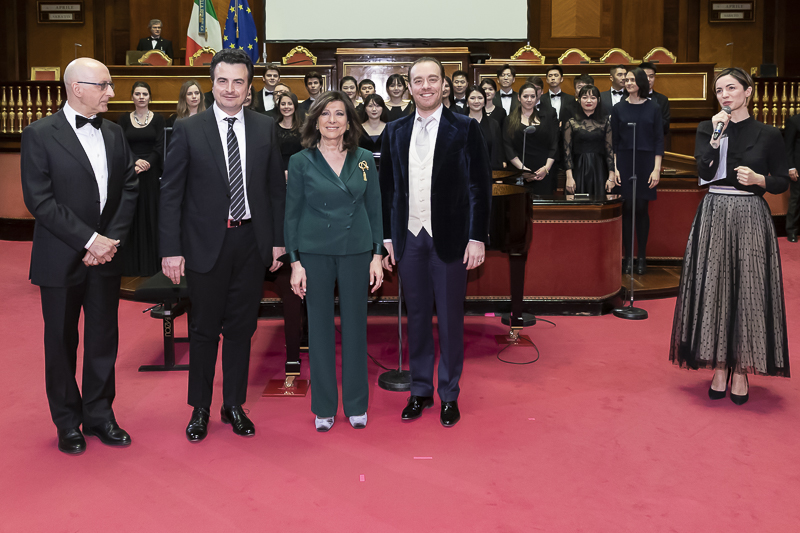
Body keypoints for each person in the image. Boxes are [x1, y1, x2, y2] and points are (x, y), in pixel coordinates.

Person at [159, 49, 286, 442]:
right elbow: (170, 193)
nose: (230, 89)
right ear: (212, 84)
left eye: (238, 82)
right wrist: (170, 248)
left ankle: (233, 404)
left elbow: (275, 192)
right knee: (203, 328)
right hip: (203, 245)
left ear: (249, 88)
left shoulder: (266, 128)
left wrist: (279, 243)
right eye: (223, 81)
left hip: (251, 242)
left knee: (241, 328)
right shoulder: (188, 129)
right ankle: (200, 407)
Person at [20, 57, 139, 455]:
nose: (111, 92)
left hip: (106, 257)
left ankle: (101, 415)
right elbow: (40, 201)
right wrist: (90, 240)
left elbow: (128, 189)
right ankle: (67, 422)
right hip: (61, 256)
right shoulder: (39, 134)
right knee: (60, 341)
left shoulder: (115, 132)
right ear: (77, 88)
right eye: (104, 85)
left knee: (104, 337)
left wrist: (110, 241)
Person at [380, 57, 491, 428]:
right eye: (418, 80)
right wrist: (387, 238)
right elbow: (388, 189)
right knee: (416, 321)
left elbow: (480, 187)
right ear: (409, 87)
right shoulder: (394, 131)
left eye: (432, 79)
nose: (425, 86)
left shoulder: (465, 128)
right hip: (409, 240)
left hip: (451, 240)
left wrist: (476, 237)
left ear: (444, 84)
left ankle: (449, 394)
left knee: (449, 320)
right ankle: (421, 389)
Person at [670, 67, 790, 404]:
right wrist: (713, 141)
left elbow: (782, 180)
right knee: (714, 289)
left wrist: (760, 180)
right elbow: (703, 171)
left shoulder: (768, 134)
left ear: (748, 91)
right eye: (720, 90)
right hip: (713, 212)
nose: (725, 95)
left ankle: (741, 369)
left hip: (750, 213)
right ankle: (719, 365)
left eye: (732, 88)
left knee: (748, 290)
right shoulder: (708, 127)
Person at [285, 91, 384, 432]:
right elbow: (292, 214)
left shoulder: (363, 159)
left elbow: (375, 208)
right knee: (320, 330)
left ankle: (356, 404)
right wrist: (295, 262)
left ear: (348, 121)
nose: (331, 120)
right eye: (325, 114)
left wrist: (376, 255)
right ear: (315, 120)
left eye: (339, 114)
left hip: (356, 250)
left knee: (356, 328)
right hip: (314, 252)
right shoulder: (300, 161)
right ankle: (324, 406)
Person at [609, 67, 663, 275]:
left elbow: (659, 139)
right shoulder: (618, 108)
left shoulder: (654, 108)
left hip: (646, 160)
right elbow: (613, 141)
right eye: (626, 79)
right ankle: (628, 258)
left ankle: (642, 257)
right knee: (627, 207)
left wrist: (656, 169)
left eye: (632, 79)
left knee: (641, 208)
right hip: (624, 160)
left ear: (641, 82)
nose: (628, 82)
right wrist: (614, 169)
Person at [117, 81, 165, 277]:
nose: (141, 97)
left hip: (151, 173)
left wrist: (147, 163)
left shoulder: (158, 119)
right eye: (137, 93)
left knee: (151, 215)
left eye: (145, 93)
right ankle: (130, 264)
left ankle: (151, 265)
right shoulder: (123, 119)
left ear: (150, 97)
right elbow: (121, 145)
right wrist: (136, 162)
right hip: (130, 172)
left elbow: (160, 146)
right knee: (131, 215)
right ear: (132, 97)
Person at [503, 82, 559, 195]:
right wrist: (522, 170)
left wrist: (546, 168)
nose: (529, 100)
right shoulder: (510, 119)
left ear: (537, 97)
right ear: (519, 98)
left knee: (543, 209)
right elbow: (507, 146)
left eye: (532, 96)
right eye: (525, 96)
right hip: (519, 171)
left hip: (543, 171)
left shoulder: (546, 118)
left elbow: (554, 144)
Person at [563, 85, 614, 198]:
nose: (589, 101)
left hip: (599, 170)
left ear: (598, 100)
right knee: (578, 207)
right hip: (578, 169)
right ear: (579, 99)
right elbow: (567, 152)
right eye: (585, 97)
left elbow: (609, 151)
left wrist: (611, 176)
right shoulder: (571, 123)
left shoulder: (605, 122)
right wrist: (569, 177)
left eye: (593, 97)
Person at [465, 85, 504, 170]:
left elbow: (498, 153)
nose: (476, 101)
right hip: (464, 174)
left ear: (484, 101)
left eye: (480, 98)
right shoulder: (459, 123)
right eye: (472, 98)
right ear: (467, 102)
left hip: (488, 173)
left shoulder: (493, 124)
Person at [640, 62, 671, 148]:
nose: (649, 79)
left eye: (651, 76)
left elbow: (665, 126)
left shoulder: (662, 100)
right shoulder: (628, 98)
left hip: (654, 144)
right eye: (645, 76)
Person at [275, 92, 304, 175]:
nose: (286, 107)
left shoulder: (303, 128)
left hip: (299, 171)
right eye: (283, 104)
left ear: (295, 106)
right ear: (279, 106)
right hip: (277, 171)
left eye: (290, 104)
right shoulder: (272, 128)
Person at [783, 113, 800, 242]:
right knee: (796, 199)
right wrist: (790, 167)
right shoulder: (794, 121)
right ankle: (792, 231)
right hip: (798, 168)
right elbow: (787, 147)